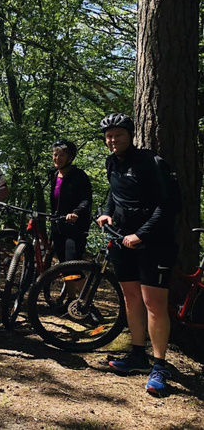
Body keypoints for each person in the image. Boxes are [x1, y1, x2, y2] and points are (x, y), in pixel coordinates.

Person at [96, 113, 178, 396]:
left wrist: (141, 234)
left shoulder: (151, 162)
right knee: (131, 298)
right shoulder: (111, 163)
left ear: (130, 135)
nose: (112, 140)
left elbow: (169, 205)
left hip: (155, 243)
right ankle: (137, 354)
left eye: (118, 135)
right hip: (122, 240)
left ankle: (160, 365)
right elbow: (114, 193)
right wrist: (106, 212)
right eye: (108, 136)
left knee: (154, 303)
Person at [48, 139, 92, 263]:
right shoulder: (54, 174)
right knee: (62, 263)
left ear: (70, 158)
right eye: (55, 155)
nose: (57, 158)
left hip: (75, 227)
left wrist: (76, 213)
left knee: (71, 263)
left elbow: (86, 199)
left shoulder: (79, 175)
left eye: (61, 155)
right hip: (58, 224)